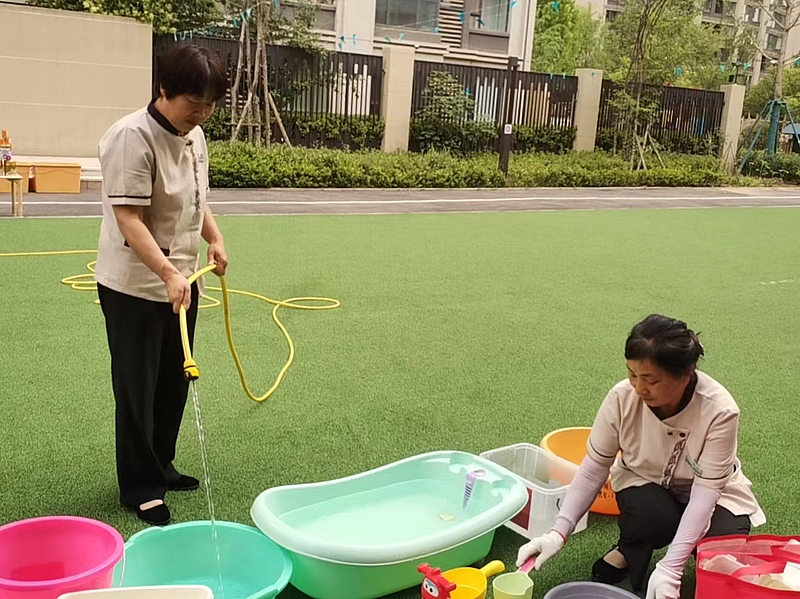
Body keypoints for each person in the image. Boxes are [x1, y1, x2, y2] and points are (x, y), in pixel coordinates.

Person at [517, 314, 765, 599]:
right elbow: (594, 468)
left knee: (722, 551)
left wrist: (672, 567)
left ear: (686, 373)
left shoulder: (720, 411)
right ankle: (629, 548)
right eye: (632, 374)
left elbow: (705, 495)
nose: (638, 387)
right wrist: (557, 533)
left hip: (713, 494)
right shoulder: (621, 398)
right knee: (649, 516)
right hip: (645, 482)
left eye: (650, 379)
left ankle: (684, 558)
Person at [94, 44, 229, 526]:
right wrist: (168, 271)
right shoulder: (131, 136)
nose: (203, 114)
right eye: (195, 103)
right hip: (134, 287)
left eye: (211, 105)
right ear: (164, 89)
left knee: (174, 378)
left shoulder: (195, 137)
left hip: (181, 283)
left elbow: (197, 199)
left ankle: (162, 464)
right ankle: (141, 485)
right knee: (138, 386)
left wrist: (214, 238)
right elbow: (128, 218)